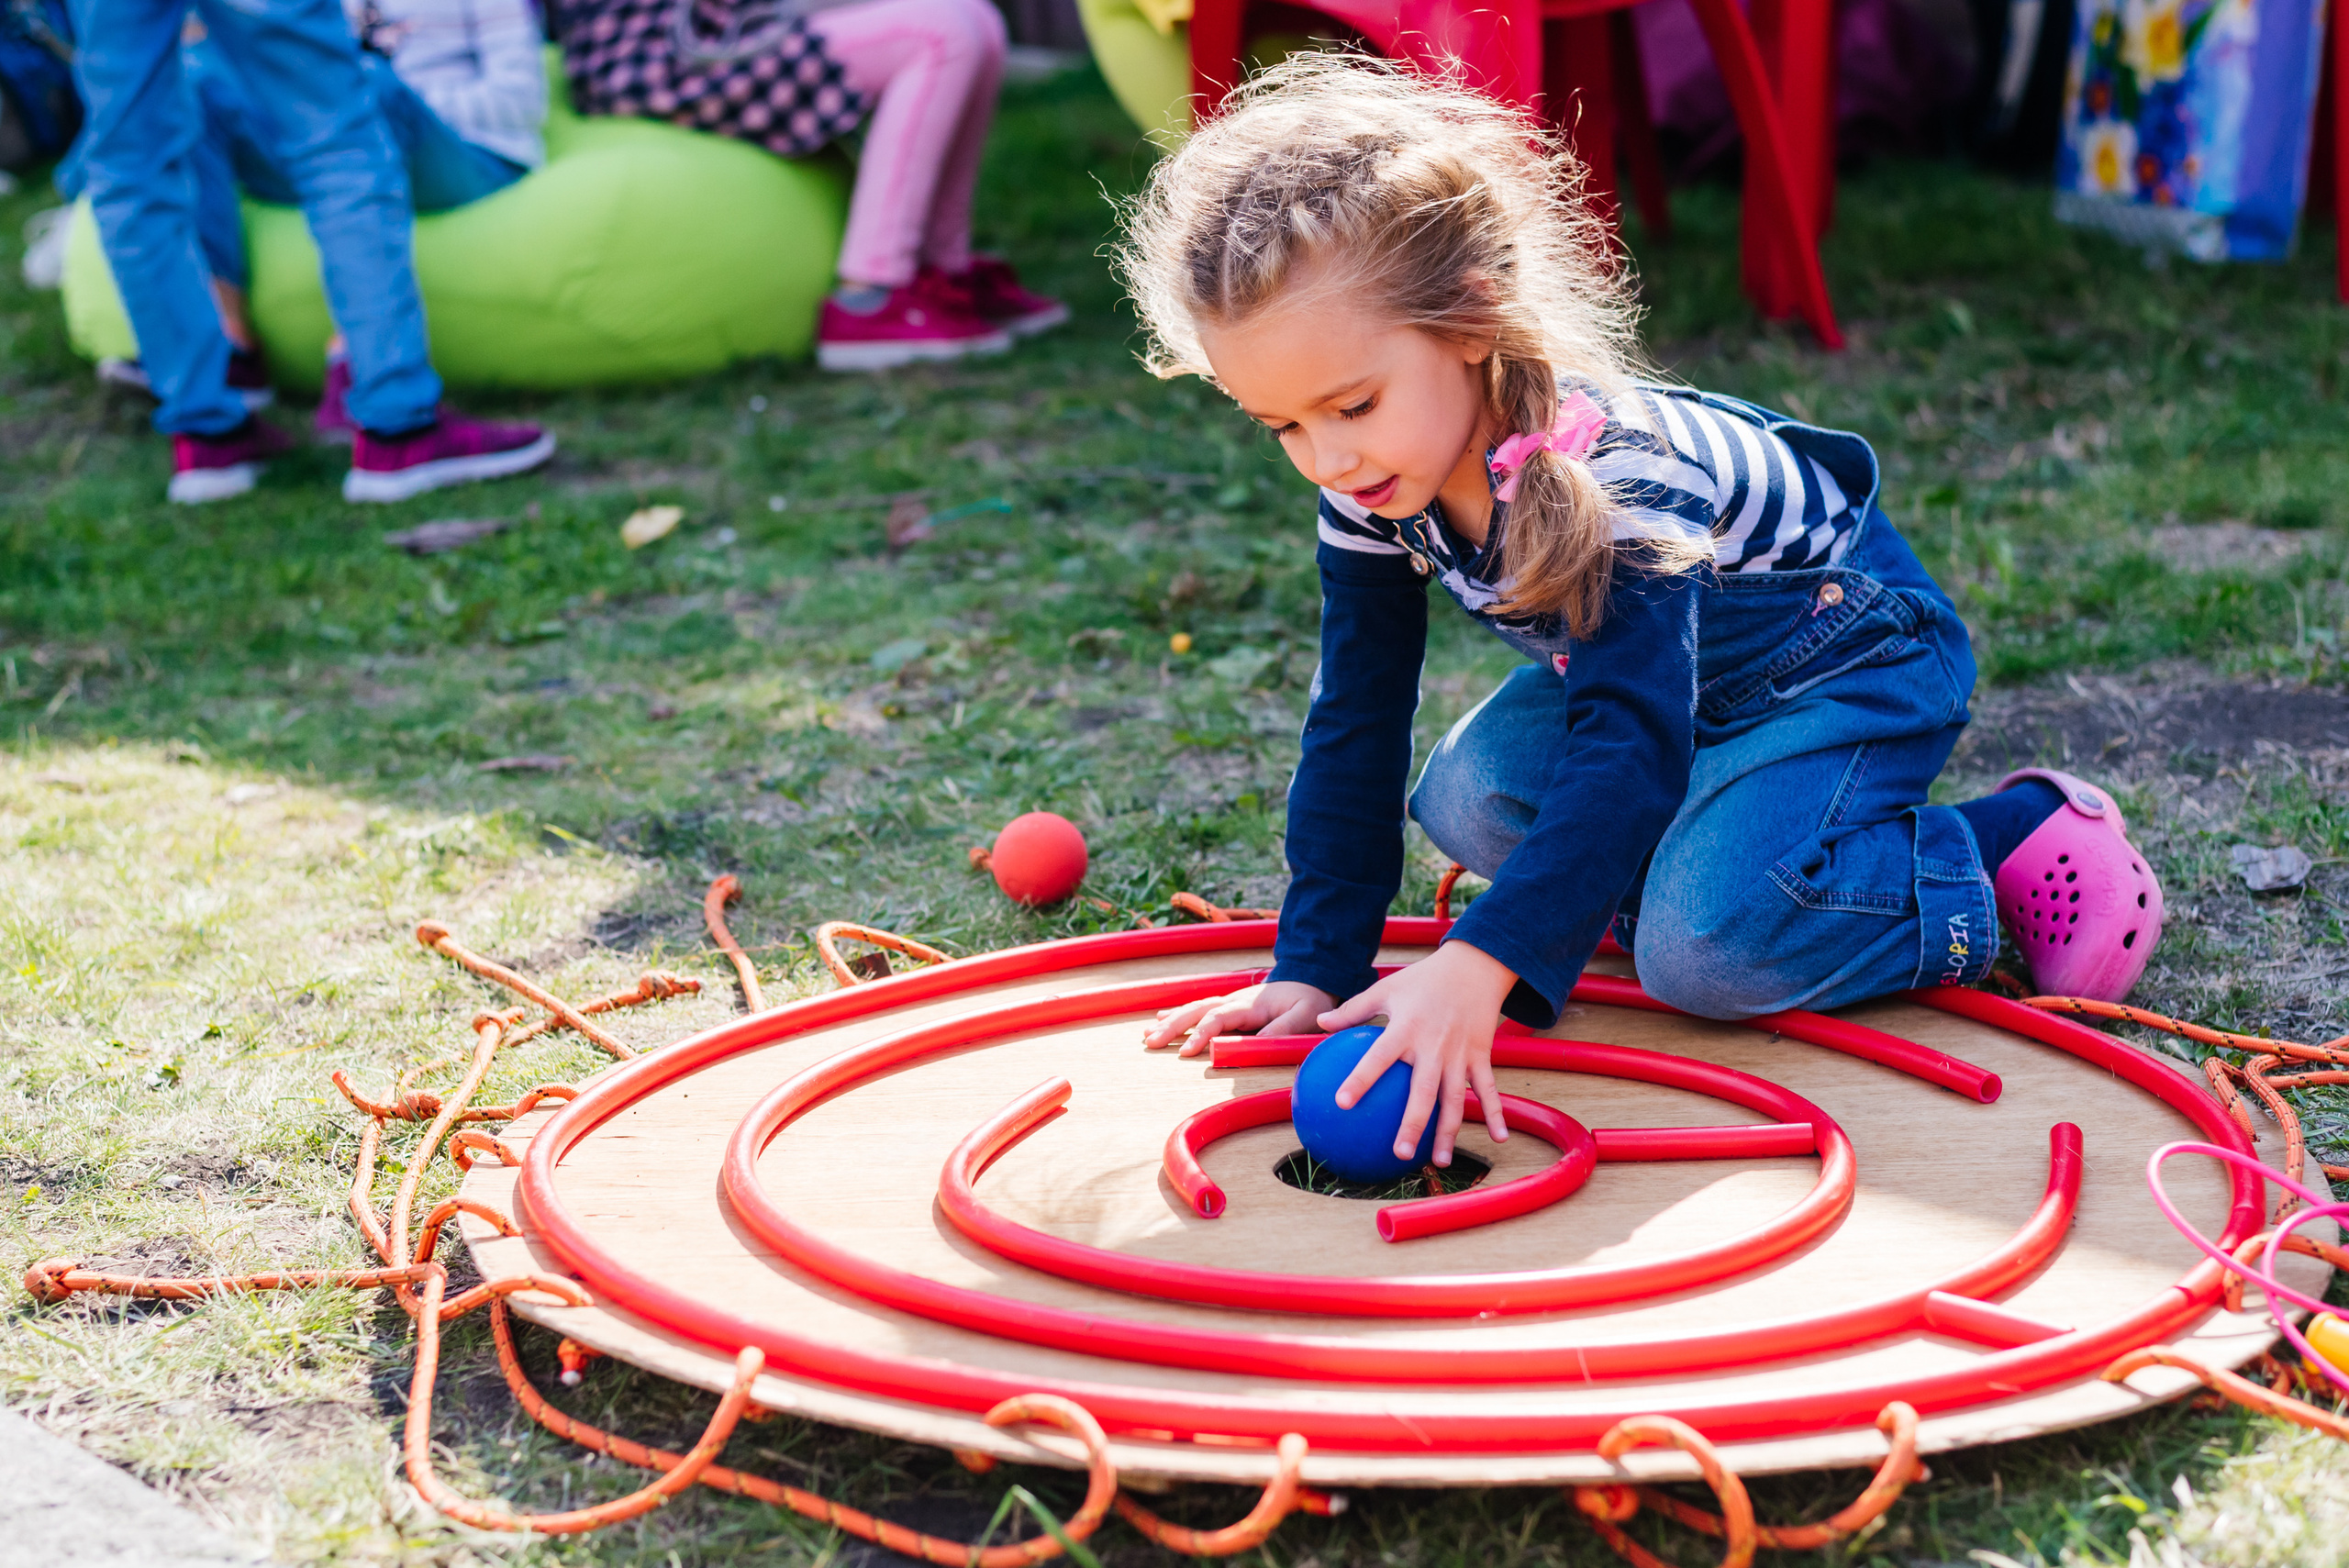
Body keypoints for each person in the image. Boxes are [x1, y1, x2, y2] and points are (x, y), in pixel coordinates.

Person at [1127, 57, 2165, 1173]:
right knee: (1468, 796)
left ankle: (1999, 840)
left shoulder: (1614, 473)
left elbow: (1627, 738)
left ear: (1471, 316)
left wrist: (1487, 961)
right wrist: (1316, 963)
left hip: (1844, 659)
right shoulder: (1373, 484)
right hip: (1669, 688)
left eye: (1351, 406)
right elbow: (1356, 718)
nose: (1325, 458)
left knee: (1701, 951)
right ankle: (1707, 859)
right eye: (1280, 424)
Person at [67, 0, 554, 504]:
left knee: (130, 164)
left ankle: (207, 432)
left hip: (447, 137)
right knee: (334, 132)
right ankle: (395, 421)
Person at [552, 0, 1065, 370]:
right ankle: (873, 293)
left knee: (979, 18)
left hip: (723, 26)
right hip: (659, 56)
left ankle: (941, 271)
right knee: (943, 31)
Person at [182, 0, 551, 438]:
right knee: (190, 87)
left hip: (465, 152)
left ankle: (360, 365)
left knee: (362, 91)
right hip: (334, 137)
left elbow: (520, 101)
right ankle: (231, 348)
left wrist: (374, 104)